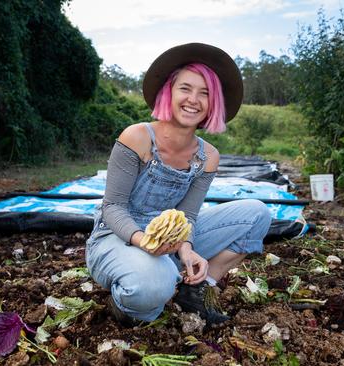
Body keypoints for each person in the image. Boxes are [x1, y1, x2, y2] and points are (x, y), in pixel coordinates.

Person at [85, 43, 272, 327]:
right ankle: (127, 302)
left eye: (205, 93)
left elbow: (188, 217)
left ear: (213, 103)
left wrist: (186, 250)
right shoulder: (137, 137)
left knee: (256, 214)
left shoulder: (208, 156)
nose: (193, 100)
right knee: (153, 289)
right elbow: (112, 208)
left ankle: (195, 288)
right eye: (185, 88)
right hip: (117, 236)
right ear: (169, 93)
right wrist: (144, 241)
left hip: (169, 241)